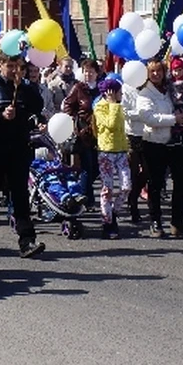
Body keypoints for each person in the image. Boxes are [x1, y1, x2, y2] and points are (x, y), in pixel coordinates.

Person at [0, 52, 45, 258]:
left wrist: (32, 117)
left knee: (20, 196)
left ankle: (27, 240)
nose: (16, 71)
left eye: (19, 67)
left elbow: (35, 110)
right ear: (0, 64)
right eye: (11, 66)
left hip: (19, 149)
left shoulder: (24, 88)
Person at [137, 59, 183, 238]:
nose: (156, 74)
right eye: (152, 71)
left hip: (174, 143)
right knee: (155, 185)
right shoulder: (144, 93)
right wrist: (173, 119)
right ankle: (155, 221)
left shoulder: (169, 89)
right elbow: (148, 117)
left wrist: (182, 118)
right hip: (154, 143)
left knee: (181, 183)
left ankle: (177, 222)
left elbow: (181, 107)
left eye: (159, 70)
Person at [92, 77, 130, 239]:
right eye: (119, 92)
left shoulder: (119, 106)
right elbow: (111, 124)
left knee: (126, 186)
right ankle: (107, 222)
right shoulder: (100, 107)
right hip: (106, 152)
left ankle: (113, 212)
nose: (121, 95)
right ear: (111, 93)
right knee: (107, 189)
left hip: (121, 151)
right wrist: (113, 104)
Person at [61, 58, 101, 207]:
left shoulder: (101, 89)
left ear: (97, 73)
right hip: (84, 134)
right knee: (87, 166)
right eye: (85, 71)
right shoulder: (78, 88)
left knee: (96, 168)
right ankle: (85, 199)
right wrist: (74, 121)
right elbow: (67, 105)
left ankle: (83, 192)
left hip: (100, 133)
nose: (88, 74)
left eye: (91, 71)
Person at [121, 78, 147, 224]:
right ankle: (133, 206)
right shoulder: (126, 89)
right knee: (133, 172)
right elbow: (125, 112)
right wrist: (143, 114)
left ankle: (134, 196)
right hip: (131, 135)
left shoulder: (149, 88)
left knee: (147, 173)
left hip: (147, 134)